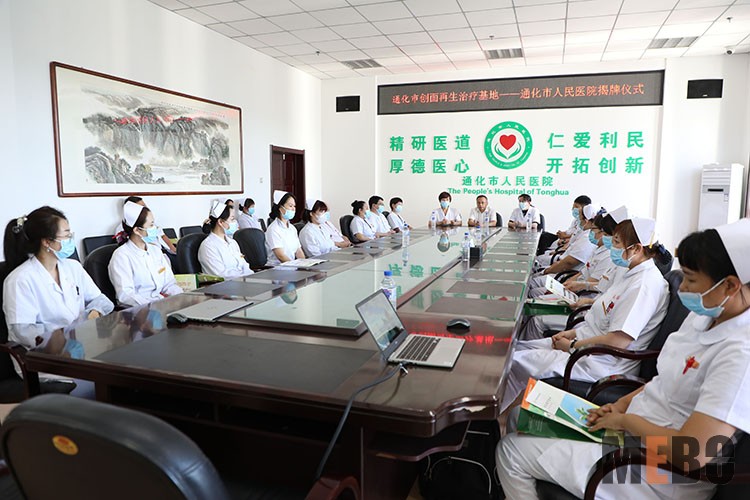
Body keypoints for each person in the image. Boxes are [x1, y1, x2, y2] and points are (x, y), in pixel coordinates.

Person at [497, 218, 750, 500]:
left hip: (658, 471)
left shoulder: (740, 355)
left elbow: (692, 452)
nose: (682, 289)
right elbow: (664, 380)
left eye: (690, 280)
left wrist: (625, 421)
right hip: (632, 435)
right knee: (520, 415)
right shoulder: (703, 319)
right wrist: (619, 405)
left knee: (511, 452)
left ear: (730, 286)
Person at [503, 218, 670, 412]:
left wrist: (572, 346)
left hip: (600, 363)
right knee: (513, 350)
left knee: (512, 363)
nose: (612, 246)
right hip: (585, 345)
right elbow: (602, 319)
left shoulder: (644, 286)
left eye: (616, 242)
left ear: (636, 249)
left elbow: (618, 341)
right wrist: (572, 334)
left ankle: (486, 420)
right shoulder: (629, 274)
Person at [3, 207, 114, 393]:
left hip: (78, 346)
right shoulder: (20, 279)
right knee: (103, 379)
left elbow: (102, 300)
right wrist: (65, 337)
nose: (71, 239)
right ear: (47, 242)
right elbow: (23, 331)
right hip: (42, 356)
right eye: (67, 235)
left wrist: (94, 312)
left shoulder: (73, 267)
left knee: (119, 365)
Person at [108, 201, 182, 308]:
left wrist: (182, 298)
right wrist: (153, 307)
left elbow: (169, 284)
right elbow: (126, 295)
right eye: (151, 225)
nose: (155, 228)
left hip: (161, 305)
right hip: (138, 311)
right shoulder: (121, 256)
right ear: (137, 230)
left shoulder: (155, 250)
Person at [535, 198, 597, 274]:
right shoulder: (584, 232)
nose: (579, 222)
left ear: (586, 221)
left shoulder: (587, 238)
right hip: (562, 260)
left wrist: (545, 271)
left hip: (564, 271)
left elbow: (569, 263)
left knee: (537, 264)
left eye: (580, 219)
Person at [198, 200, 253, 278]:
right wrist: (244, 277)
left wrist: (251, 276)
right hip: (227, 284)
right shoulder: (208, 246)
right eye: (232, 219)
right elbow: (221, 275)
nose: (235, 222)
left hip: (243, 281)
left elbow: (244, 265)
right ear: (220, 222)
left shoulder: (233, 243)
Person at [265, 192, 305, 265]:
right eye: (290, 206)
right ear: (281, 208)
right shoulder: (273, 229)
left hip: (291, 266)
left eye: (294, 206)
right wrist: (296, 266)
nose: (293, 209)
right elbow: (281, 256)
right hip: (277, 268)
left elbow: (298, 251)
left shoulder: (292, 228)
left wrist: (305, 264)